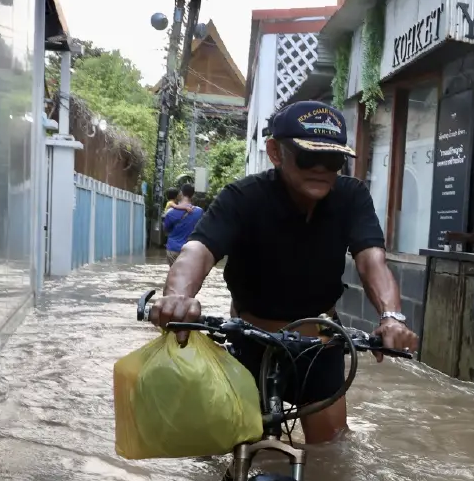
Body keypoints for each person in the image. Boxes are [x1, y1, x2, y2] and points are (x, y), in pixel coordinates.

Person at [147, 100, 419, 444]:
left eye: (333, 160)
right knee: (238, 446)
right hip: (250, 338)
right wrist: (177, 297)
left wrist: (391, 317)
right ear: (276, 152)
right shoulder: (242, 197)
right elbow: (197, 252)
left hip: (320, 341)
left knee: (333, 452)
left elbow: (371, 260)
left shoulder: (351, 197)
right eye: (307, 157)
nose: (320, 169)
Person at [162, 183, 203, 265]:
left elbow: (165, 230)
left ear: (181, 193)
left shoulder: (170, 212)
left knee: (174, 272)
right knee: (188, 273)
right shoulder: (199, 212)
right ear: (193, 195)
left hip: (173, 249)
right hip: (190, 250)